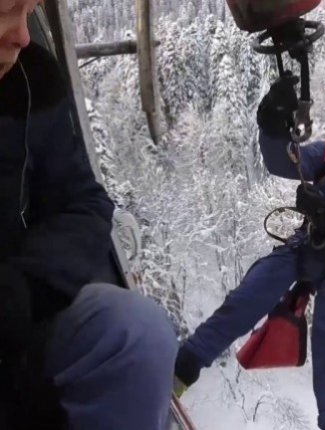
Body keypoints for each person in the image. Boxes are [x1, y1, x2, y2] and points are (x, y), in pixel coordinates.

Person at [173, 75, 325, 430]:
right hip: (305, 246)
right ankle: (181, 370)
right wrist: (272, 125)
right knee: (246, 299)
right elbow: (286, 161)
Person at [0, 1, 178, 428]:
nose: (23, 36)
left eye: (28, 11)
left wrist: (24, 284)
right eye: (6, 12)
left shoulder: (30, 81)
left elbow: (83, 203)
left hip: (16, 329)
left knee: (136, 332)